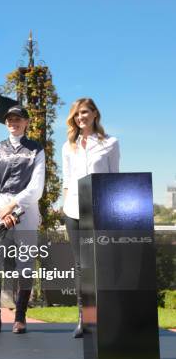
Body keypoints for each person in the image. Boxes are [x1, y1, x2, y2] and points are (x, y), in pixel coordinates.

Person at [0, 105, 45, 335]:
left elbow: (36, 187)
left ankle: (20, 317)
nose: (13, 122)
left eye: (18, 119)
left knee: (25, 266)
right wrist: (3, 210)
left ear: (26, 122)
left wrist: (13, 207)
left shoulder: (36, 150)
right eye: (10, 119)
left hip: (25, 211)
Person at [61, 97, 119, 338]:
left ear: (95, 114)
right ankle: (83, 318)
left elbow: (114, 178)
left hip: (99, 210)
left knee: (101, 265)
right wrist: (64, 207)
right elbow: (66, 179)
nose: (80, 117)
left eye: (84, 112)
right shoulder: (68, 146)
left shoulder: (111, 143)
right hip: (73, 210)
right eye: (76, 114)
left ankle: (106, 317)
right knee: (80, 266)